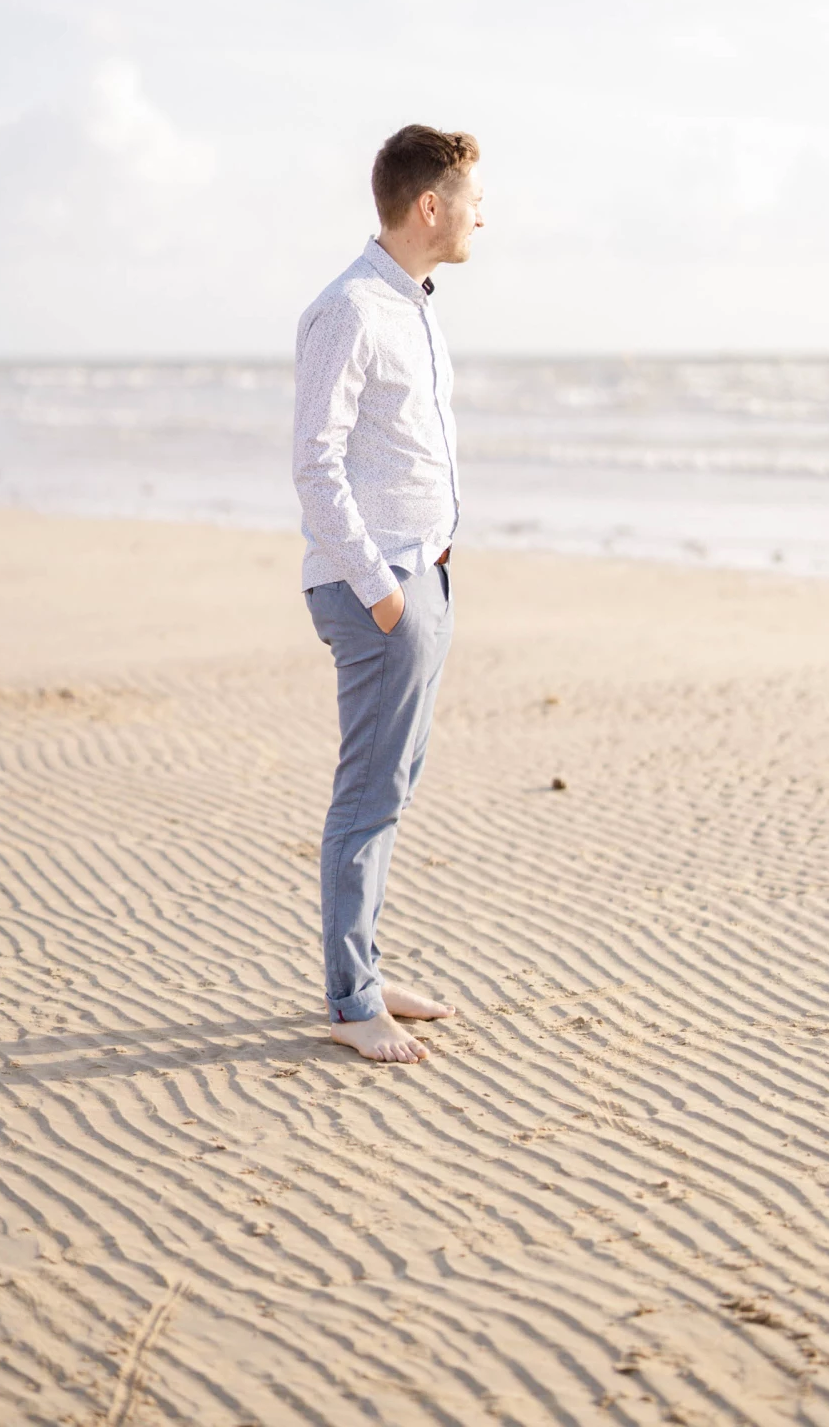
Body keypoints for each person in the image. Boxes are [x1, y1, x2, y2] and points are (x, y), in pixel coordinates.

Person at [292, 124, 485, 1063]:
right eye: (473, 198)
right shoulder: (350, 311)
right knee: (366, 794)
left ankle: (362, 971)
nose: (484, 214)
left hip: (424, 574)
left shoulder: (414, 305)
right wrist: (383, 595)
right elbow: (315, 466)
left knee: (392, 786)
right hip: (380, 588)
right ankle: (348, 1000)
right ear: (429, 206)